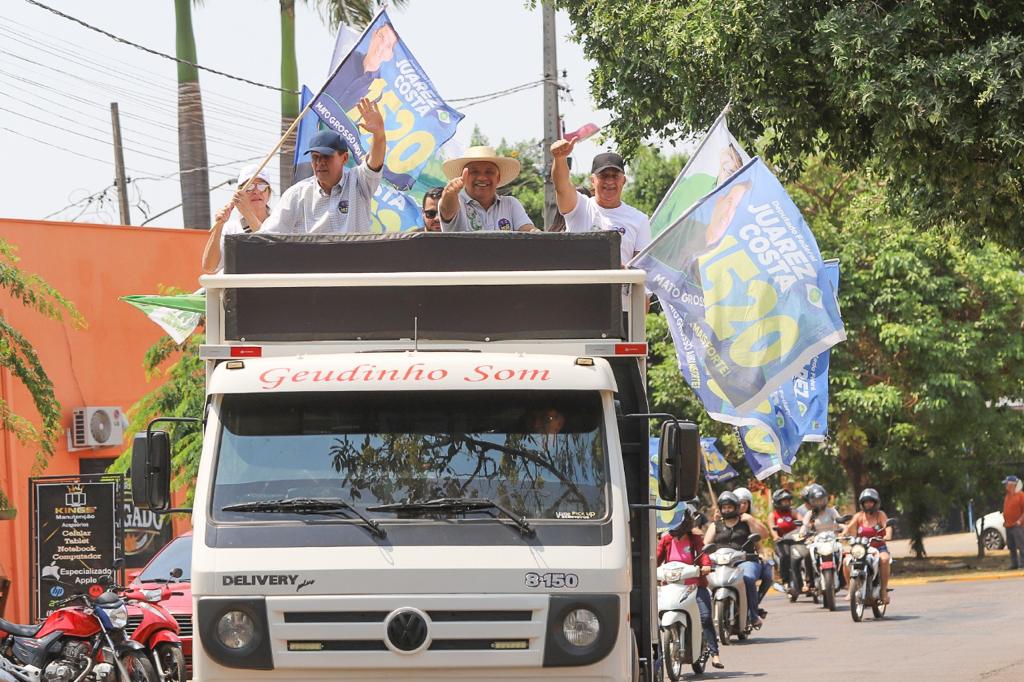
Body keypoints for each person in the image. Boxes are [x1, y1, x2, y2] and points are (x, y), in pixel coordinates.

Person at [260, 98, 385, 235]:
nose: (320, 163)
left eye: (326, 156)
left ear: (344, 158)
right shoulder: (297, 195)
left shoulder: (358, 182)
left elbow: (374, 162)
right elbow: (268, 236)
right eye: (315, 157)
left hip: (357, 256)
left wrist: (379, 135)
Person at [550, 138, 652, 268]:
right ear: (592, 180)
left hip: (618, 288)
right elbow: (561, 186)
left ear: (624, 181)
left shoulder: (640, 219)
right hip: (577, 287)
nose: (609, 181)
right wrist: (559, 159)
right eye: (603, 176)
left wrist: (621, 271)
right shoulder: (579, 206)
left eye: (615, 176)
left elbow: (642, 270)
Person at [656, 506, 724, 669]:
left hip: (695, 586)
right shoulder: (666, 540)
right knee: (655, 618)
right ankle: (657, 655)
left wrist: (706, 566)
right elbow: (656, 560)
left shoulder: (695, 539)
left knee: (706, 617)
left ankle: (715, 653)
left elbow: (704, 556)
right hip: (671, 587)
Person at [704, 491, 766, 628]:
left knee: (748, 579)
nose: (727, 510)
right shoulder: (715, 525)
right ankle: (705, 620)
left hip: (745, 561)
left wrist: (750, 520)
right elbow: (706, 545)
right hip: (720, 563)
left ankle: (754, 615)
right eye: (724, 507)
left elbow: (762, 536)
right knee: (705, 582)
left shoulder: (745, 523)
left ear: (736, 507)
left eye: (730, 507)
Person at [438, 146, 537, 232]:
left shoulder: (510, 204)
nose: (482, 177)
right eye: (474, 172)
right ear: (463, 177)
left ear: (498, 178)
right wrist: (449, 194)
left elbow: (528, 230)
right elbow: (447, 210)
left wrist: (536, 233)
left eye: (489, 172)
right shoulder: (457, 202)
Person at [202, 165, 273, 274]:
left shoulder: (278, 221)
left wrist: (247, 213)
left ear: (269, 193)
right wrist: (219, 224)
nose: (256, 191)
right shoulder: (231, 228)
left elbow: (272, 252)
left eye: (262, 186)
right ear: (239, 193)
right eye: (249, 187)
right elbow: (209, 267)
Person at [791, 483, 844, 595]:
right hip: (816, 539)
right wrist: (801, 533)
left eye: (821, 499)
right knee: (808, 555)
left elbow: (840, 521)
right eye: (816, 500)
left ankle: (842, 581)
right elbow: (804, 525)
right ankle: (811, 581)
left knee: (843, 553)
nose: (819, 502)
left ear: (826, 499)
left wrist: (845, 529)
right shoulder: (810, 513)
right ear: (811, 501)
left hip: (832, 538)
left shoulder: (831, 511)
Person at [843, 488, 894, 603]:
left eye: (870, 501)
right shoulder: (859, 516)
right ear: (862, 503)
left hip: (879, 547)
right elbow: (849, 526)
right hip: (862, 548)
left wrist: (887, 535)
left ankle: (883, 591)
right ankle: (850, 589)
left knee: (885, 559)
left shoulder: (880, 515)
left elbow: (888, 526)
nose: (868, 504)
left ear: (875, 503)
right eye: (866, 502)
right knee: (846, 560)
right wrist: (843, 533)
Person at [733, 487, 774, 604]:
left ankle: (755, 602)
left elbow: (763, 536)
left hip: (747, 558)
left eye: (745, 503)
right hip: (727, 560)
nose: (742, 505)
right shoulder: (723, 520)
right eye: (739, 503)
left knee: (767, 574)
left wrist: (750, 520)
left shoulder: (749, 520)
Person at [770, 489, 800, 590]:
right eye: (784, 501)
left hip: (795, 540)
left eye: (788, 501)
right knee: (784, 556)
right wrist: (776, 536)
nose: (786, 503)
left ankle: (808, 580)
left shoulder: (793, 512)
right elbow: (772, 528)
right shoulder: (773, 515)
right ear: (777, 502)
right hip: (781, 542)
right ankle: (785, 581)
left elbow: (803, 521)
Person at [1001, 475, 1024, 570]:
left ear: (1012, 485)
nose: (1005, 486)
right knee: (1011, 546)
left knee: (1021, 545)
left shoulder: (1021, 495)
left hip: (1018, 526)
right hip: (1008, 525)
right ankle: (1014, 564)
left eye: (1007, 484)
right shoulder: (1007, 496)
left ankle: (1023, 564)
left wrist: (1019, 521)